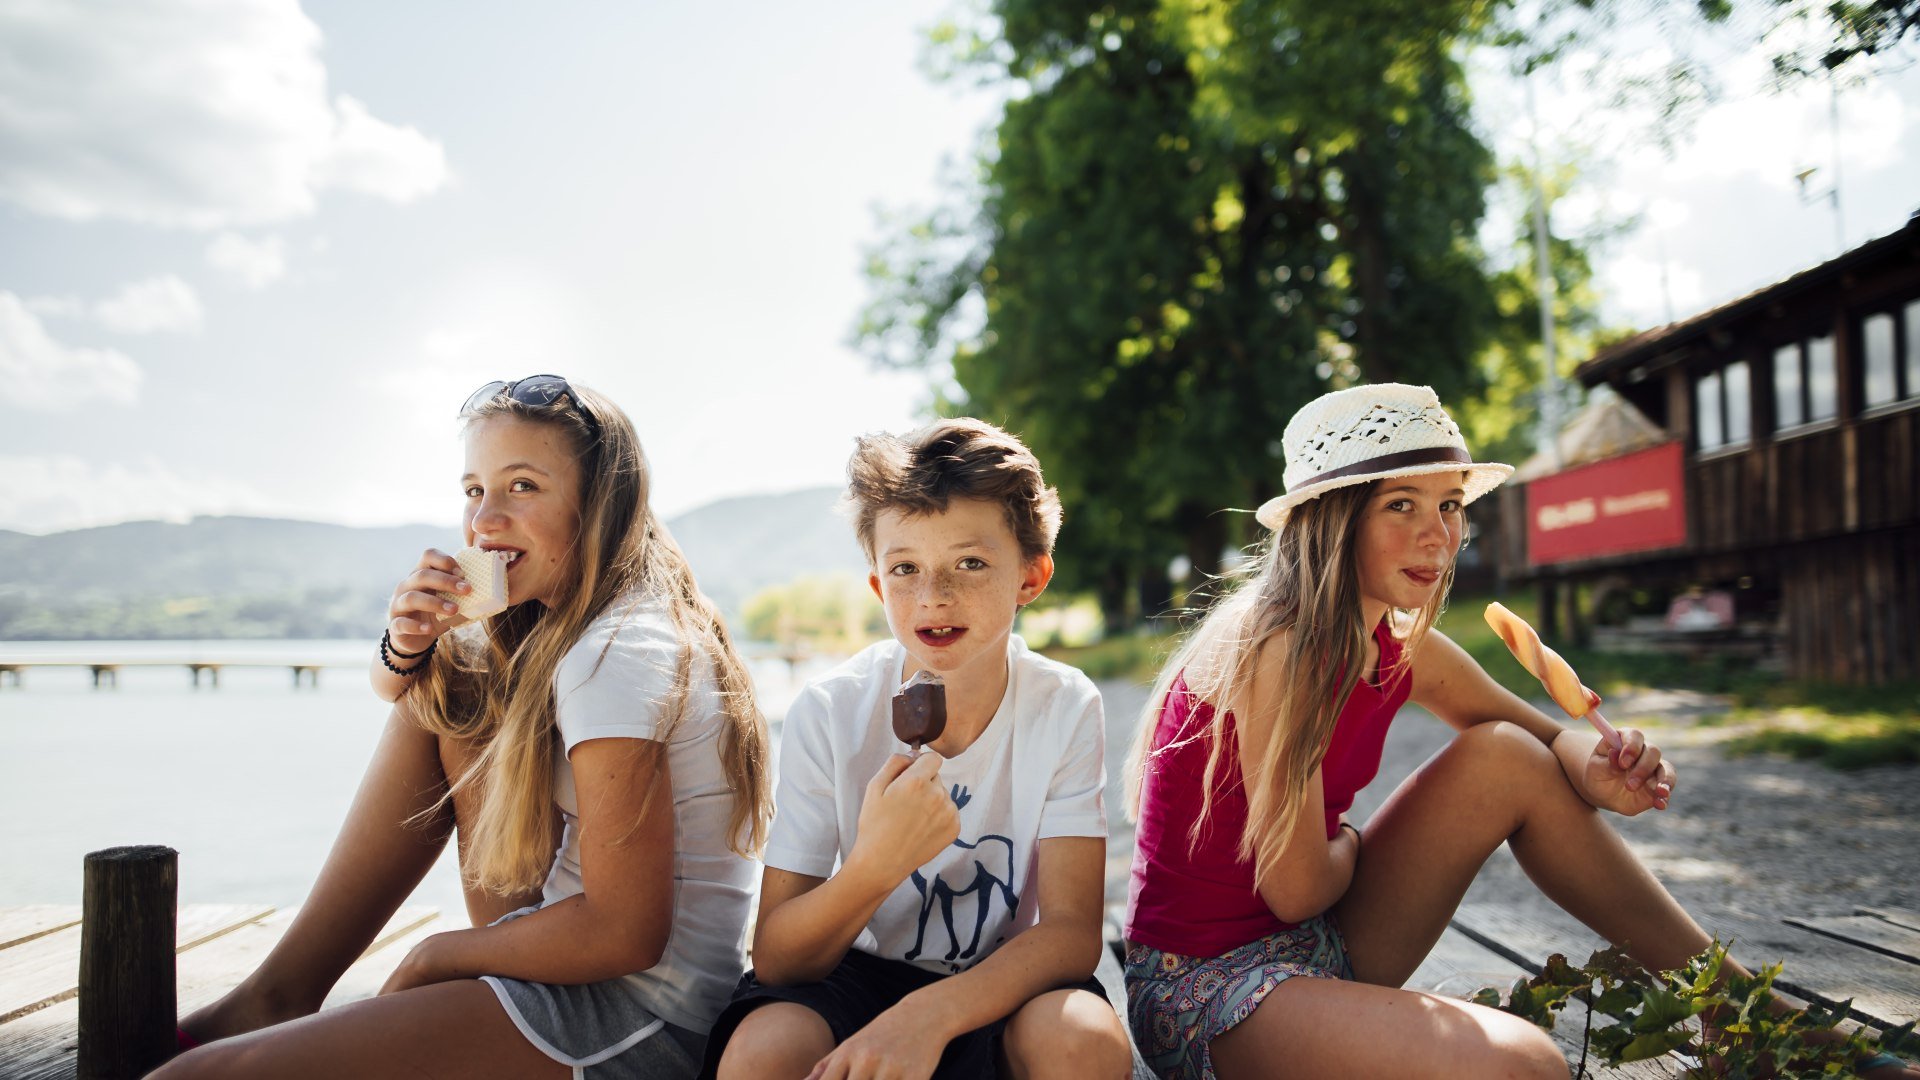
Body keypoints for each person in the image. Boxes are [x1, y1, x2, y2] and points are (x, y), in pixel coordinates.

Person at [1121, 382, 1917, 1080]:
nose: (1438, 535)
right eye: (1401, 505)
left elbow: (1534, 738)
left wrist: (1596, 764)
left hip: (1319, 945)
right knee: (1523, 1064)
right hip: (1209, 989)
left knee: (1503, 756)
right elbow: (1297, 888)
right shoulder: (1278, 649)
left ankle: (1730, 1007)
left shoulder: (1398, 644)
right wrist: (1358, 844)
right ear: (1329, 521)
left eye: (1449, 506)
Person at [160, 375, 772, 1079]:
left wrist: (433, 956)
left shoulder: (616, 656)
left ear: (601, 504)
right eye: (474, 490)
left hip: (638, 1022)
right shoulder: (586, 621)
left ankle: (277, 999)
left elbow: (624, 933)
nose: (484, 522)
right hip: (573, 971)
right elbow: (405, 695)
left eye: (522, 487)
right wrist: (408, 643)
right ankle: (279, 995)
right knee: (453, 683)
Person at [703, 418, 1134, 1080]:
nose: (934, 596)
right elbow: (780, 957)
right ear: (878, 585)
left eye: (971, 562)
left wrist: (929, 1016)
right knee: (764, 1051)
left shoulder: (1063, 706)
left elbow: (1074, 932)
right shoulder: (831, 712)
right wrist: (877, 863)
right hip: (853, 971)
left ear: (1031, 576)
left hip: (1000, 978)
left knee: (1083, 1041)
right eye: (905, 568)